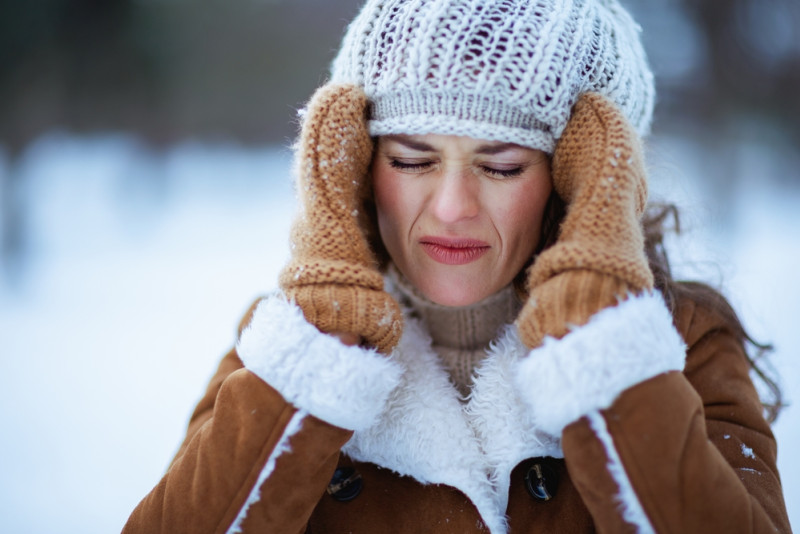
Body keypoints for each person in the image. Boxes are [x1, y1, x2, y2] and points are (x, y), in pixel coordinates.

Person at [124, 0, 791, 532]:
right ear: (357, 161)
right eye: (411, 160)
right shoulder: (287, 347)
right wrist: (322, 351)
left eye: (501, 165)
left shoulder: (680, 343)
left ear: (580, 178)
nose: (450, 207)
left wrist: (598, 335)